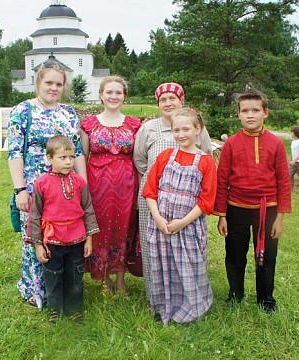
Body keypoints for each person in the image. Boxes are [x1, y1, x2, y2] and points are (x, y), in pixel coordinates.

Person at [7, 63, 87, 309]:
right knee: (36, 237)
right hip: (35, 187)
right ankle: (35, 289)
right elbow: (14, 151)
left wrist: (83, 186)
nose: (53, 88)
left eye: (59, 84)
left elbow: (79, 151)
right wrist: (20, 189)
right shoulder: (23, 110)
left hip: (66, 189)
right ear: (38, 83)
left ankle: (61, 287)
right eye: (49, 83)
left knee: (63, 236)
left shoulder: (69, 112)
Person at [214, 89, 291, 313]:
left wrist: (280, 218)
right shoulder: (230, 144)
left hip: (268, 210)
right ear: (238, 114)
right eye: (245, 111)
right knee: (235, 256)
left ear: (265, 113)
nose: (250, 115)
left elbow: (284, 182)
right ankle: (235, 295)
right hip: (236, 209)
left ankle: (266, 300)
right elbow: (222, 181)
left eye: (255, 110)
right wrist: (222, 215)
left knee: (266, 257)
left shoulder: (276, 144)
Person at [133, 82, 213, 299]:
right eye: (162, 99)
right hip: (153, 197)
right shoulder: (148, 128)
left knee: (186, 248)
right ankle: (156, 295)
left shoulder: (197, 129)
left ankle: (187, 295)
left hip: (188, 202)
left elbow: (205, 156)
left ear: (182, 100)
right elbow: (140, 160)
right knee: (154, 248)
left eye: (173, 98)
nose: (168, 103)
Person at [142, 108, 217, 325]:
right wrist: (157, 218)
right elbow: (150, 190)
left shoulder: (205, 161)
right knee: (163, 266)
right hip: (162, 225)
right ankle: (163, 305)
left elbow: (207, 200)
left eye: (186, 129)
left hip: (188, 227)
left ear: (198, 129)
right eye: (176, 130)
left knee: (189, 267)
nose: (181, 134)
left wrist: (183, 222)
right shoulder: (166, 156)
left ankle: (192, 307)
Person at [26, 135, 99, 324]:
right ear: (49, 159)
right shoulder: (41, 183)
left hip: (77, 240)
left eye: (71, 157)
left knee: (75, 276)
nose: (68, 162)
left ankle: (73, 309)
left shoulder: (80, 182)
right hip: (52, 242)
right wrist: (37, 245)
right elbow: (35, 216)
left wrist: (89, 239)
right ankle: (54, 310)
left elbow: (88, 210)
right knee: (53, 277)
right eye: (62, 158)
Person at [80, 76, 141, 294]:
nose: (113, 96)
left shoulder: (134, 124)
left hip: (127, 185)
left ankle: (121, 279)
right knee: (102, 230)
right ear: (101, 95)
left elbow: (138, 158)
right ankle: (104, 278)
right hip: (97, 186)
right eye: (109, 92)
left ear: (124, 96)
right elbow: (82, 157)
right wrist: (83, 188)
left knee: (125, 229)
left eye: (118, 92)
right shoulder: (89, 124)